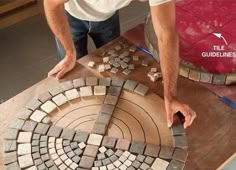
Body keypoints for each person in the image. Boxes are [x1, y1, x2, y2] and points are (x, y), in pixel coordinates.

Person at [44, 0, 196, 129]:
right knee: (77, 79)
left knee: (112, 68)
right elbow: (51, 4)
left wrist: (170, 96)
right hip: (70, 17)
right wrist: (70, 53)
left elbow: (166, 34)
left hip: (108, 17)